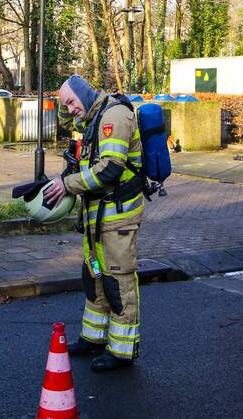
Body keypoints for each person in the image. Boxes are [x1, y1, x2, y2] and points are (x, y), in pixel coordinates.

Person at [44, 74, 144, 372]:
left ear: (85, 95)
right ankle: (94, 338)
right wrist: (65, 99)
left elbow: (111, 168)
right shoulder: (92, 117)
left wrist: (67, 184)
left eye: (72, 102)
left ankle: (122, 351)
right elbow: (64, 123)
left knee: (118, 281)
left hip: (117, 218)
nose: (70, 109)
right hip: (97, 220)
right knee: (95, 278)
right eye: (67, 104)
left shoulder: (113, 116)